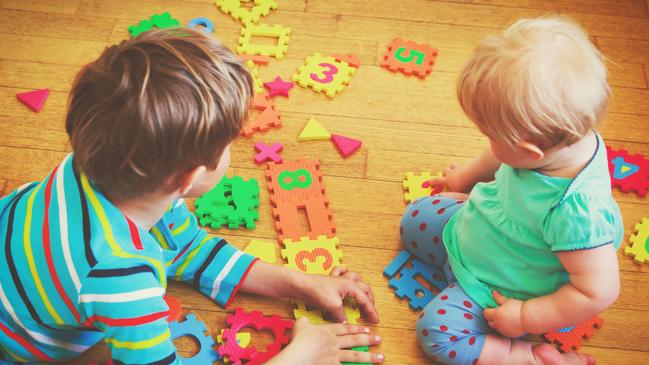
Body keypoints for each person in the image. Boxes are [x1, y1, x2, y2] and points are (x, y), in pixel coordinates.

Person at [0, 28, 383, 365]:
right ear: (191, 177)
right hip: (16, 340)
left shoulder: (104, 163)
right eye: (231, 144)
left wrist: (300, 282)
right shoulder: (119, 278)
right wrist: (299, 357)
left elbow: (187, 250)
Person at [400, 16, 622, 365]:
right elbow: (499, 158)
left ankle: (527, 358)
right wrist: (466, 179)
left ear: (529, 152)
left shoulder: (576, 213)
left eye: (491, 135)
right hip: (488, 232)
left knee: (437, 334)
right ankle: (463, 234)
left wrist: (525, 316)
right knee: (415, 218)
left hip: (502, 287)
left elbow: (598, 291)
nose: (488, 141)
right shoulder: (558, 142)